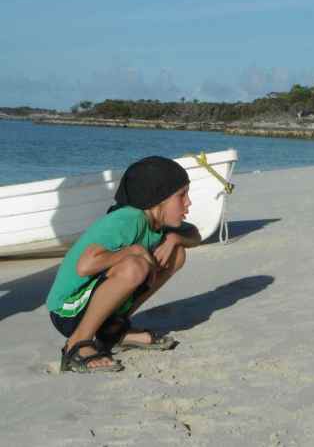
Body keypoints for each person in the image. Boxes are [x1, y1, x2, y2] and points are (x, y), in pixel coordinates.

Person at [45, 155, 201, 373]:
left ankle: (113, 330)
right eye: (181, 195)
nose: (188, 202)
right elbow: (85, 265)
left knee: (177, 254)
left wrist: (174, 239)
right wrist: (134, 250)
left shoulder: (158, 221)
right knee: (135, 266)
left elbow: (195, 235)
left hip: (93, 303)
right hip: (68, 310)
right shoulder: (129, 219)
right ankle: (77, 343)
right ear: (157, 199)